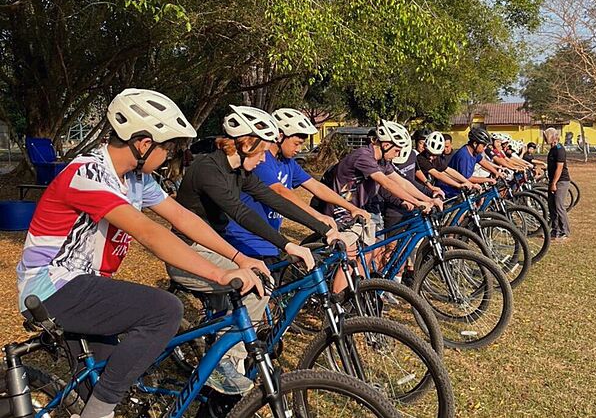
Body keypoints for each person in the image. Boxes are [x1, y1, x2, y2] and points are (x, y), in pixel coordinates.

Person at [16, 89, 266, 418]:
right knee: (163, 310)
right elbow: (149, 232)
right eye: (169, 148)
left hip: (84, 284)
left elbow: (181, 217)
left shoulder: (136, 178)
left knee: (106, 381)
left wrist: (239, 258)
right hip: (51, 287)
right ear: (144, 143)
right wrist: (219, 274)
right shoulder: (87, 175)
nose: (171, 155)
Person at [168, 104, 341, 394]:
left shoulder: (238, 171)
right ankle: (224, 361)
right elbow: (240, 212)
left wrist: (324, 228)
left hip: (214, 246)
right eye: (261, 150)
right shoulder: (208, 168)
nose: (264, 158)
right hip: (188, 251)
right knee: (258, 284)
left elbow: (274, 201)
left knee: (258, 278)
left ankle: (225, 344)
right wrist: (287, 244)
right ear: (245, 144)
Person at [223, 108, 370, 293]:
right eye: (297, 143)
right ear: (280, 136)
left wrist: (351, 207)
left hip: (270, 241)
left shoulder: (288, 162)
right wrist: (317, 217)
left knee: (270, 298)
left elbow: (316, 187)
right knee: (256, 300)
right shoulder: (261, 159)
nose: (299, 149)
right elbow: (280, 192)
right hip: (246, 239)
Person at [416, 131, 475, 198]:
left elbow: (448, 170)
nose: (431, 157)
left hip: (430, 188)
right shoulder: (420, 158)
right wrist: (458, 185)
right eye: (429, 153)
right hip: (420, 191)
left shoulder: (436, 158)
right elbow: (438, 175)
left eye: (434, 155)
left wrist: (468, 182)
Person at [544, 127, 571, 240]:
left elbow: (559, 168)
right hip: (553, 181)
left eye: (546, 136)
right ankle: (555, 230)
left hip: (561, 181)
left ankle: (565, 231)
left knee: (559, 206)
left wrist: (554, 183)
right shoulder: (552, 148)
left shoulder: (559, 149)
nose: (545, 138)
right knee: (552, 206)